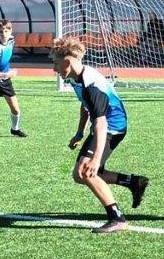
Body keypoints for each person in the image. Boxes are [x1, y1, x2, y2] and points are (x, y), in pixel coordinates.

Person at [51, 35, 150, 233]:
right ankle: (133, 182)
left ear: (67, 62)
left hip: (112, 127)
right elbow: (85, 106)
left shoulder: (92, 85)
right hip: (106, 125)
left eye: (55, 63)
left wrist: (95, 159)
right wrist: (79, 132)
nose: (54, 68)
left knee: (86, 171)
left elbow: (101, 122)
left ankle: (117, 218)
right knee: (80, 175)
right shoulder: (76, 77)